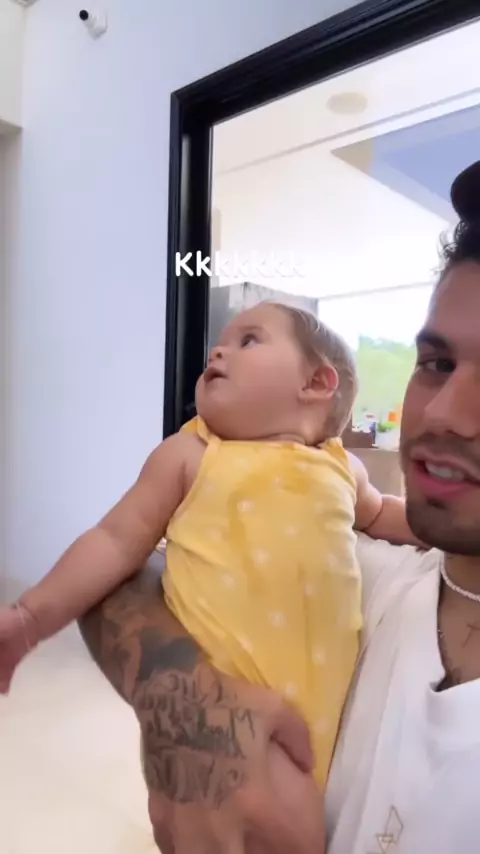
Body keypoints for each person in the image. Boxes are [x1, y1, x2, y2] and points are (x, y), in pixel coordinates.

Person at [78, 159, 480, 854]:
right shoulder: (361, 575)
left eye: (250, 341)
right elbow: (123, 572)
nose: (444, 413)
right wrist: (188, 709)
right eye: (438, 364)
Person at [0, 300, 418, 844]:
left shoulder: (343, 467)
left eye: (249, 340)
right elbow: (115, 541)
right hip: (228, 720)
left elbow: (384, 514)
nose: (217, 351)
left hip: (317, 737)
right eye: (220, 342)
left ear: (316, 382)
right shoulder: (192, 453)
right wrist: (30, 617)